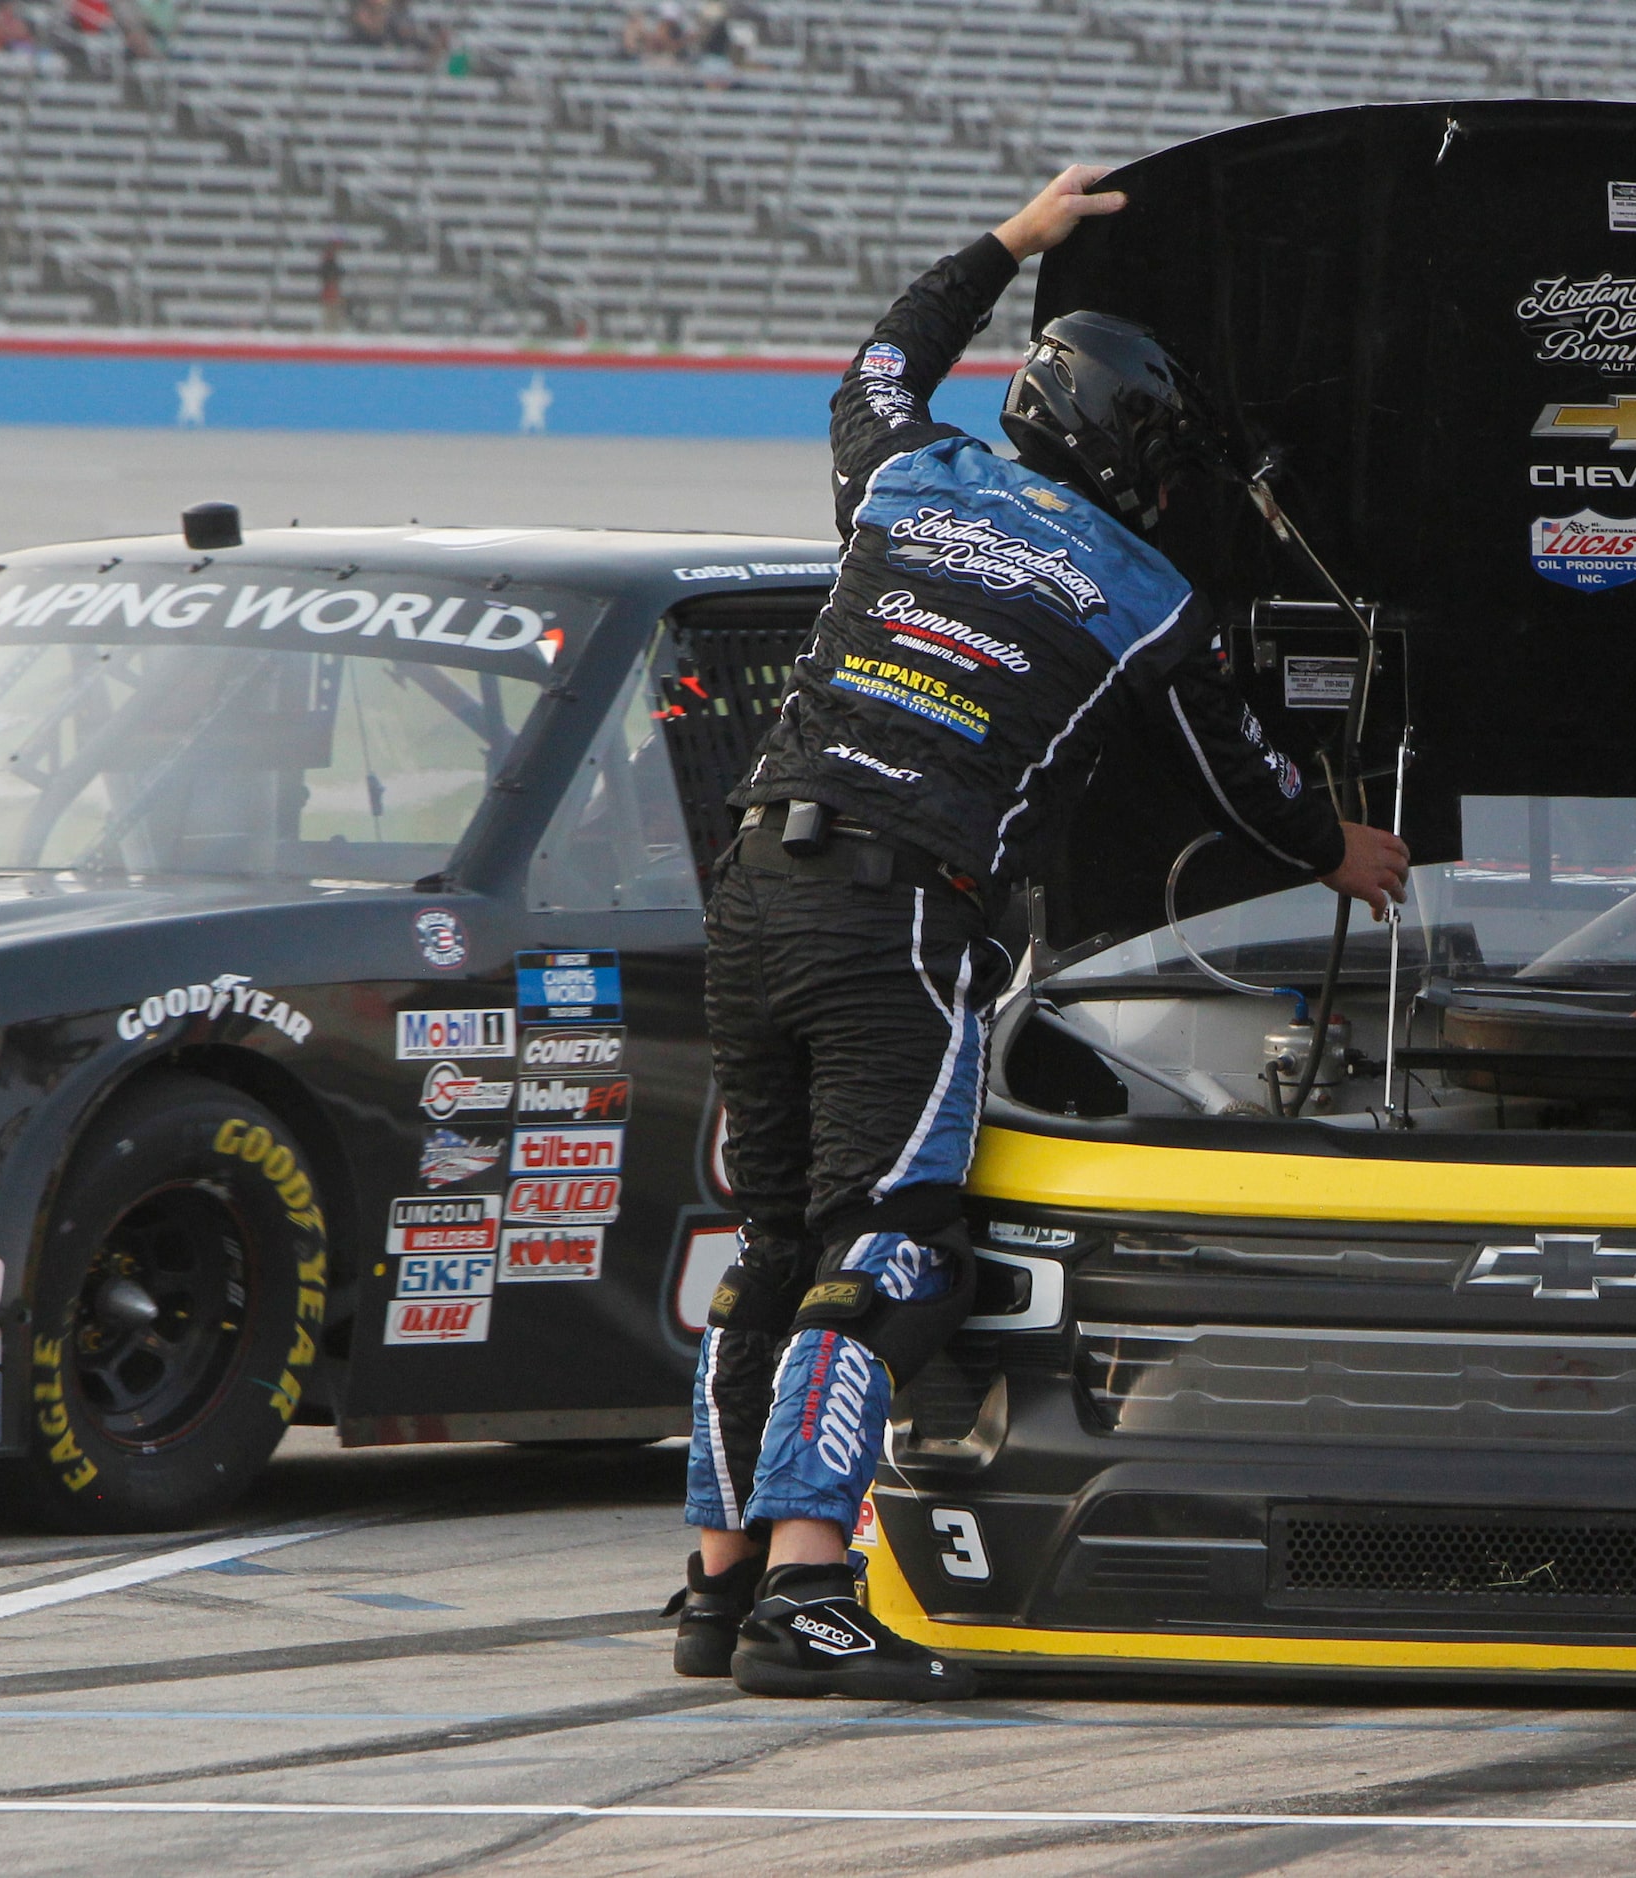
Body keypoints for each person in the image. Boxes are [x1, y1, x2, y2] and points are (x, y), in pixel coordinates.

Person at [668, 166, 1412, 1701]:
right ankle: (810, 1589)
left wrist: (1008, 241)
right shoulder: (1139, 583)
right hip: (897, 914)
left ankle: (716, 1578)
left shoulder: (904, 471)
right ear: (1136, 455)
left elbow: (879, 357)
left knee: (772, 1246)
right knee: (882, 1239)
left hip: (751, 888)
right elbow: (1244, 780)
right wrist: (1341, 846)